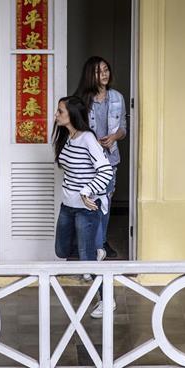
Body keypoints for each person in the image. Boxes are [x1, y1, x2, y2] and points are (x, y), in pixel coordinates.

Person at [52, 95, 115, 318]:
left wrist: (87, 191)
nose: (56, 115)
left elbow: (106, 171)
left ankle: (107, 299)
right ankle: (93, 251)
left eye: (60, 111)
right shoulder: (67, 137)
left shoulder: (87, 138)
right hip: (68, 205)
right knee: (61, 250)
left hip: (86, 208)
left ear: (72, 115)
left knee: (86, 259)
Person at [74, 56, 127, 262]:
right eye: (98, 71)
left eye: (106, 70)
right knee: (87, 204)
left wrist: (114, 137)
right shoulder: (81, 100)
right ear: (90, 75)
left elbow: (123, 128)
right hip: (87, 161)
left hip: (110, 159)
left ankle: (100, 243)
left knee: (104, 203)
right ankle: (87, 247)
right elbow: (74, 130)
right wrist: (92, 142)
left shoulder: (117, 98)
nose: (104, 74)